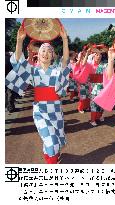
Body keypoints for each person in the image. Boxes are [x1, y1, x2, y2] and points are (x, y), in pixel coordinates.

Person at [5, 25, 70, 164]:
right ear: (38, 55)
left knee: (54, 141)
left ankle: (51, 158)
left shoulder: (57, 71)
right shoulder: (33, 71)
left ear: (53, 55)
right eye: (43, 50)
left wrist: (64, 39)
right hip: (40, 111)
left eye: (49, 51)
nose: (46, 53)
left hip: (56, 111)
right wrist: (19, 41)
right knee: (51, 142)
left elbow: (65, 61)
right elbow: (18, 62)